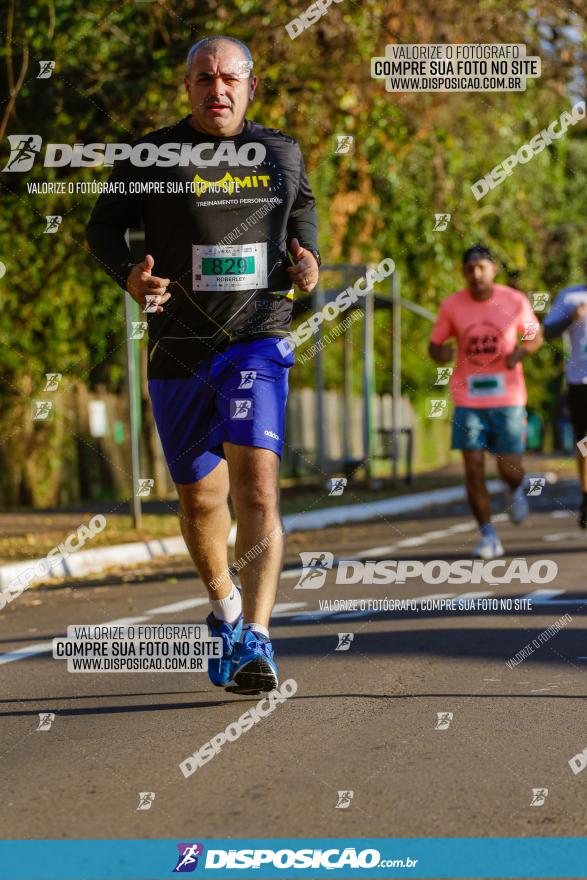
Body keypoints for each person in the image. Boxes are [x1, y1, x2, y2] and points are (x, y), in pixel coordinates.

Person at [86, 36, 320, 693]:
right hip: (177, 347)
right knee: (199, 499)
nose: (217, 89)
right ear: (186, 87)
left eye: (229, 79)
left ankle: (258, 640)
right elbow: (101, 229)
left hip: (257, 337)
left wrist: (308, 260)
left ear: (251, 87)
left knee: (257, 488)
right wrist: (129, 276)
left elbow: (301, 210)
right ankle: (224, 610)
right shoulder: (149, 155)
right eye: (203, 78)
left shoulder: (279, 153)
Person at [428, 245, 543, 559]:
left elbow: (535, 335)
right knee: (473, 468)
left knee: (510, 470)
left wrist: (521, 351)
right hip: (468, 397)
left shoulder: (514, 301)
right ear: (464, 273)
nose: (476, 275)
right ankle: (488, 535)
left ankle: (516, 488)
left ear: (493, 269)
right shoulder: (452, 305)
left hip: (508, 396)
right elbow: (435, 344)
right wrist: (442, 353)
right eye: (470, 269)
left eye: (482, 268)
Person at [543, 265, 587, 527]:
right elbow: (546, 332)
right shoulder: (570, 297)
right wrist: (571, 317)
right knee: (584, 443)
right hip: (580, 383)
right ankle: (586, 496)